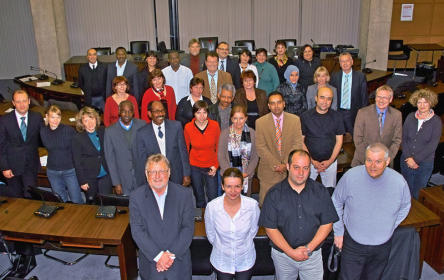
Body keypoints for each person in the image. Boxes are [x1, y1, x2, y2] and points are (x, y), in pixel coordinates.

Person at [332, 143, 411, 280]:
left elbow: (405, 206)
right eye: (369, 160)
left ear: (387, 162)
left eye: (378, 161)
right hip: (353, 245)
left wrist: (390, 225)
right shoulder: (350, 177)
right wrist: (338, 231)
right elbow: (336, 202)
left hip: (382, 247)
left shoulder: (399, 182)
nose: (372, 166)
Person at [259, 149, 339, 280]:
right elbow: (270, 229)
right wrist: (291, 252)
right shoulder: (274, 194)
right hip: (283, 256)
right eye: (296, 167)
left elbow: (327, 224)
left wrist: (308, 248)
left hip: (312, 256)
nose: (301, 173)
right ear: (288, 167)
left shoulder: (320, 192)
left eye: (305, 168)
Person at [130, 154, 194, 280]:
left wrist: (169, 256)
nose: (157, 176)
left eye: (162, 171)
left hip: (178, 260)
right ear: (146, 173)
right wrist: (159, 256)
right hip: (151, 261)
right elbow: (137, 231)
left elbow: (188, 228)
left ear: (169, 172)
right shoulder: (136, 197)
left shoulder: (184, 194)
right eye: (153, 172)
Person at [205, 168, 260, 279]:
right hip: (222, 260)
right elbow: (210, 234)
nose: (233, 191)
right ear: (222, 186)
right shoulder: (212, 207)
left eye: (237, 186)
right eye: (229, 186)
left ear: (242, 186)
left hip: (245, 259)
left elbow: (253, 230)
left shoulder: (252, 205)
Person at [255, 91, 303, 205]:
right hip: (268, 171)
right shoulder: (260, 122)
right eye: (272, 103)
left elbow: (297, 144)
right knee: (267, 206)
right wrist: (276, 165)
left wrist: (286, 164)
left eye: (279, 102)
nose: (276, 106)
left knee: (289, 206)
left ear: (284, 104)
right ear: (268, 106)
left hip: (290, 171)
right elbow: (261, 147)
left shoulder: (295, 120)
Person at [135, 101, 191, 187]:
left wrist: (186, 174)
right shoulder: (142, 133)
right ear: (149, 114)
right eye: (157, 111)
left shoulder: (176, 127)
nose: (160, 114)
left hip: (176, 175)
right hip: (155, 178)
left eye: (162, 111)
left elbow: (183, 152)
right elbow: (142, 161)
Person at [0, 90, 43, 198]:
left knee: (31, 196)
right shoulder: (5, 120)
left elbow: (44, 137)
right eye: (18, 102)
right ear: (13, 103)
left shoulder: (37, 117)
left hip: (30, 165)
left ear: (29, 101)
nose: (22, 104)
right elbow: (1, 146)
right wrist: (4, 167)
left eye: (24, 101)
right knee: (16, 198)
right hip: (12, 167)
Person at [401, 88, 442, 199]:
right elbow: (404, 139)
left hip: (424, 164)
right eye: (419, 102)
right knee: (405, 192)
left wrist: (415, 160)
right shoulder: (410, 117)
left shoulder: (436, 121)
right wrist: (409, 157)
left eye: (425, 102)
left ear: (431, 103)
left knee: (417, 194)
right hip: (406, 161)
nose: (422, 105)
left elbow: (432, 146)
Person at [301, 87, 344, 188]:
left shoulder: (337, 117)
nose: (325, 101)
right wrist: (312, 161)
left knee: (329, 193)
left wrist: (330, 161)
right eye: (322, 97)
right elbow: (301, 141)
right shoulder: (305, 116)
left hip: (330, 163)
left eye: (329, 99)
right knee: (306, 192)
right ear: (316, 98)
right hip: (309, 163)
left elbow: (339, 141)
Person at [40, 105, 83, 203]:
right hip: (52, 171)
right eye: (52, 117)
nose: (55, 120)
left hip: (69, 170)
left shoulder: (68, 130)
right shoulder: (43, 131)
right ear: (47, 117)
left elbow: (77, 149)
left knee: (76, 200)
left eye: (58, 117)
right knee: (60, 201)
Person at [352, 85, 402, 167]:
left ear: (390, 99)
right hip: (362, 161)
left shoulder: (397, 115)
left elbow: (397, 140)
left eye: (385, 98)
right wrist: (369, 160)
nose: (381, 100)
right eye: (379, 97)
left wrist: (386, 159)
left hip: (385, 163)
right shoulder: (362, 113)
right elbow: (358, 139)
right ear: (375, 98)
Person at [104, 100, 146, 195]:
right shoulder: (110, 131)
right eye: (123, 111)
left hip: (141, 178)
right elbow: (110, 160)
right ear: (119, 112)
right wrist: (116, 183)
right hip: (123, 179)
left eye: (129, 111)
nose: (127, 114)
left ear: (133, 112)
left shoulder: (142, 125)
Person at [72, 106, 112, 204]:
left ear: (96, 119)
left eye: (92, 118)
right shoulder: (77, 138)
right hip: (89, 177)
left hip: (105, 175)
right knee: (92, 204)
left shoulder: (103, 131)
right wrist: (82, 181)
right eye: (86, 120)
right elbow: (77, 162)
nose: (90, 123)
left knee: (107, 202)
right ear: (82, 123)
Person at [184, 101, 220, 208]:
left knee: (213, 197)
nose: (202, 116)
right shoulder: (188, 127)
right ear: (194, 114)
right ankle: (201, 221)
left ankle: (213, 219)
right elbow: (185, 149)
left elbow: (219, 147)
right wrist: (186, 169)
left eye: (204, 112)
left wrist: (216, 165)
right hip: (195, 166)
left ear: (208, 113)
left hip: (211, 166)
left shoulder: (215, 126)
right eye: (198, 112)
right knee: (199, 196)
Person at [218, 105, 259, 196]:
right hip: (229, 176)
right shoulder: (225, 133)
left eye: (241, 118)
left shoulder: (252, 133)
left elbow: (255, 156)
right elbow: (221, 156)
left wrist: (246, 173)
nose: (238, 121)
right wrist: (231, 173)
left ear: (246, 118)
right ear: (231, 119)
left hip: (246, 176)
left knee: (245, 204)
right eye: (235, 118)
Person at [330, 52, 368, 135]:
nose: (345, 63)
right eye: (342, 61)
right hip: (338, 112)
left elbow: (364, 97)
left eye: (347, 61)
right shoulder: (335, 76)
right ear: (339, 64)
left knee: (355, 136)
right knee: (338, 136)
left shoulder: (360, 76)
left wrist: (364, 114)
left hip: (354, 112)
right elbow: (331, 96)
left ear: (352, 62)